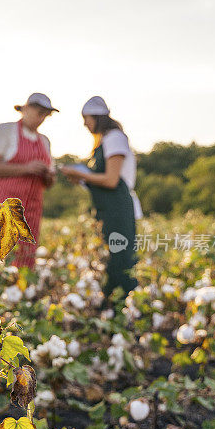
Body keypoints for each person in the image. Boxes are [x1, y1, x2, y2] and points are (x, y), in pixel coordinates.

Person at [60, 96, 142, 300]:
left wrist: (81, 174)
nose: (85, 123)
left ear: (98, 117)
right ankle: (114, 305)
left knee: (120, 258)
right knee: (110, 255)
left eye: (87, 118)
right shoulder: (104, 141)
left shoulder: (114, 137)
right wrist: (81, 179)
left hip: (118, 208)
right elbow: (100, 179)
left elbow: (111, 180)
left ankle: (123, 304)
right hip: (108, 208)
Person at [0, 93, 57, 268]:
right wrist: (26, 168)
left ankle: (22, 293)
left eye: (45, 114)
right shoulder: (6, 130)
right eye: (39, 112)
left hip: (31, 211)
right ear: (25, 109)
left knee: (25, 259)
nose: (41, 118)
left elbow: (49, 184)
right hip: (2, 205)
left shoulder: (44, 141)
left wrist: (48, 176)